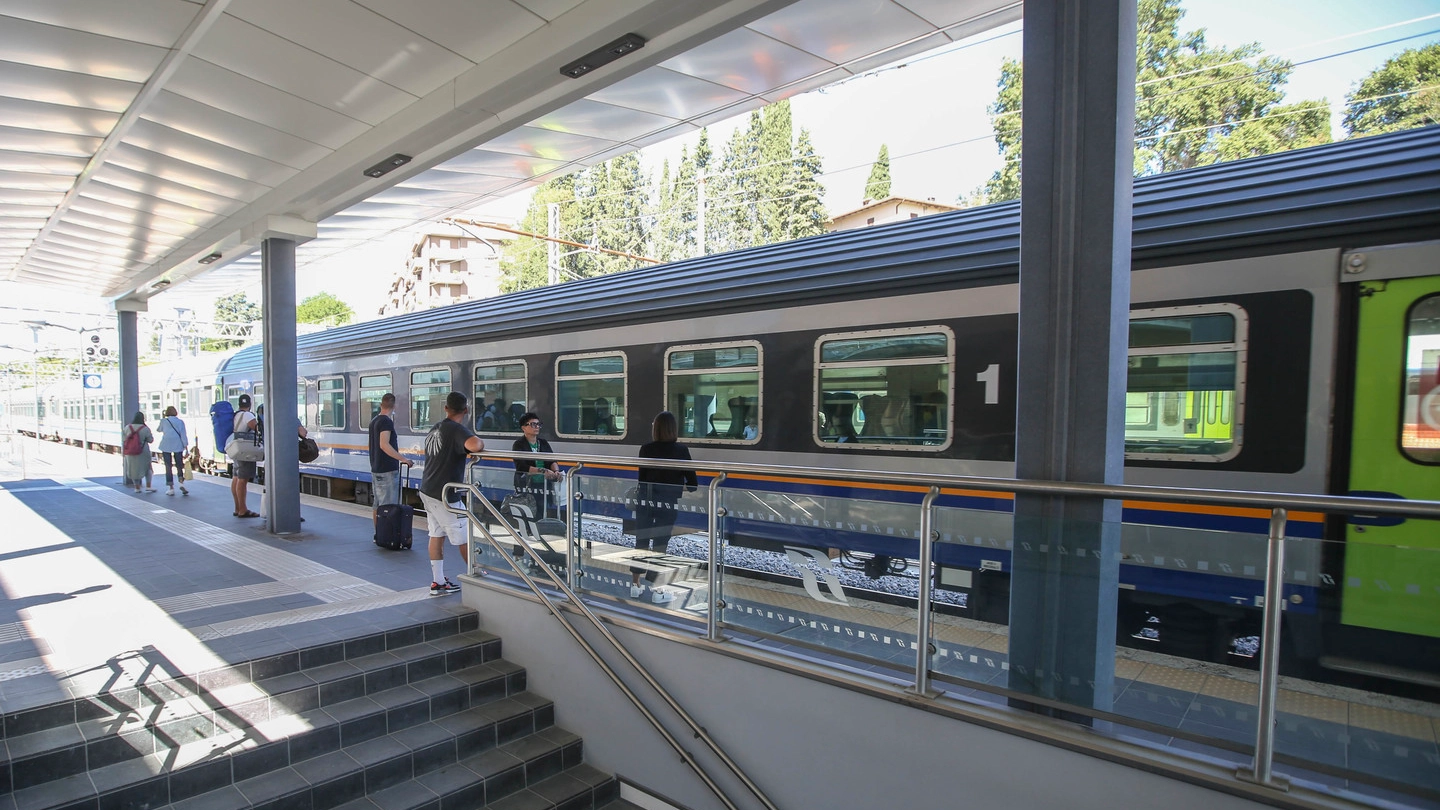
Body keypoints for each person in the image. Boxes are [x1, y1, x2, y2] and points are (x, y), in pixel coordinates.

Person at [419, 391, 484, 596]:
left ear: (446, 408)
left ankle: (438, 582)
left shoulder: (436, 428)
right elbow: (475, 445)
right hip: (445, 494)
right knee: (465, 536)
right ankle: (477, 576)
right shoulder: (456, 430)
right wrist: (478, 443)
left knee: (436, 534)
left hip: (428, 489)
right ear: (466, 410)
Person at [630, 411, 698, 598]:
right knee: (660, 543)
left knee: (641, 541)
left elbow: (642, 480)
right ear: (673, 429)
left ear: (656, 428)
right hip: (667, 504)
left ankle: (635, 586)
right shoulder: (681, 451)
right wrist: (676, 486)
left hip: (645, 501)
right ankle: (656, 589)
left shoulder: (646, 449)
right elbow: (693, 485)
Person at [368, 392, 412, 535]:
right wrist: (403, 459)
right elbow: (384, 445)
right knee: (388, 506)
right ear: (394, 406)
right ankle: (387, 535)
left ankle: (379, 534)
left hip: (376, 468)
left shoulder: (374, 421)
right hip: (387, 470)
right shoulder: (386, 422)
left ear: (381, 404)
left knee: (378, 505)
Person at [512, 412, 561, 505]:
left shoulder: (543, 442)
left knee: (543, 509)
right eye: (533, 424)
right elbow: (521, 467)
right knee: (531, 512)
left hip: (544, 484)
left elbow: (552, 460)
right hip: (528, 485)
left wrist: (556, 471)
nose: (537, 427)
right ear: (523, 428)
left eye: (538, 424)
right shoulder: (519, 444)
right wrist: (543, 471)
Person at [231, 394, 260, 517]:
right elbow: (258, 428)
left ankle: (238, 508)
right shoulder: (248, 415)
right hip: (246, 451)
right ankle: (243, 510)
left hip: (236, 448)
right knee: (243, 480)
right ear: (250, 404)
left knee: (236, 478)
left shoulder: (236, 414)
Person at [156, 405, 189, 495]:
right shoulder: (180, 422)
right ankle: (181, 483)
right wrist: (186, 447)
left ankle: (171, 488)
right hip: (178, 445)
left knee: (168, 466)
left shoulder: (164, 421)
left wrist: (163, 419)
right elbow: (183, 435)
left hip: (166, 445)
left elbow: (158, 430)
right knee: (179, 465)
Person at [122, 412, 155, 494]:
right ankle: (148, 486)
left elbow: (124, 439)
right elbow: (150, 440)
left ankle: (137, 487)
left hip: (130, 452)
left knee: (133, 469)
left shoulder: (127, 427)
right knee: (148, 468)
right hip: (143, 451)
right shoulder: (145, 428)